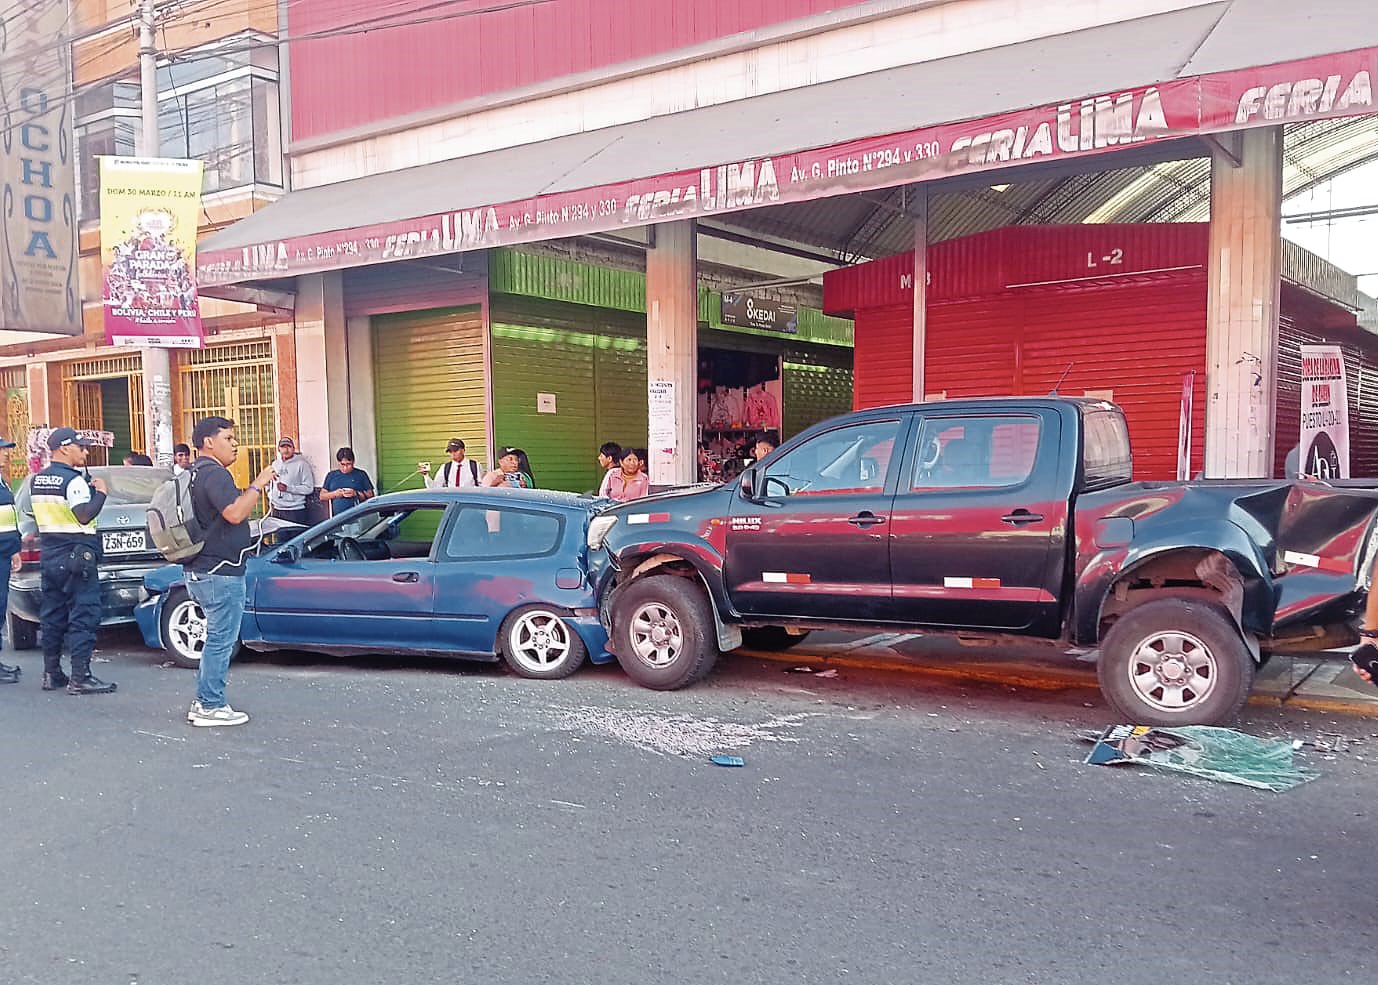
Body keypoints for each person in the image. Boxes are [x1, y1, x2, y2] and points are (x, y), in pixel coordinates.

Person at [184, 415, 277, 727]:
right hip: (219, 571)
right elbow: (235, 513)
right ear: (208, 442)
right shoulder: (214, 474)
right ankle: (210, 705)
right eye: (228, 438)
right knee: (221, 640)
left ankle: (204, 701)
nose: (235, 444)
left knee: (217, 637)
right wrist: (258, 484)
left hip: (202, 568)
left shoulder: (194, 473)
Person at [31, 428, 115, 694]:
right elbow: (83, 515)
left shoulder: (37, 480)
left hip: (50, 556)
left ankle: (51, 674)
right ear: (65, 449)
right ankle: (80, 677)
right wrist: (101, 493)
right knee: (84, 615)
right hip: (76, 557)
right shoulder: (74, 481)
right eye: (81, 447)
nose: (85, 452)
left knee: (52, 616)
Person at [0, 434, 21, 685]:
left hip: (4, 552)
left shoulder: (2, 482)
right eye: (2, 450)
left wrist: (14, 548)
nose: (6, 454)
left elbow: (7, 520)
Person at [268, 436, 315, 525]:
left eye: (289, 446)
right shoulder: (275, 464)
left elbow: (309, 488)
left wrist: (288, 488)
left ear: (293, 448)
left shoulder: (302, 465)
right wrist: (270, 495)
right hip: (277, 509)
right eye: (283, 447)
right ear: (279, 449)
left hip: (295, 510)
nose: (286, 450)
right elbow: (270, 483)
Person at [320, 447, 375, 517]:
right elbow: (322, 496)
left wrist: (356, 493)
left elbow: (371, 495)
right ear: (338, 462)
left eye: (348, 464)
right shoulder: (331, 475)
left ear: (353, 462)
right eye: (342, 464)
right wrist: (335, 494)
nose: (345, 467)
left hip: (357, 516)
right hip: (337, 517)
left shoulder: (361, 474)